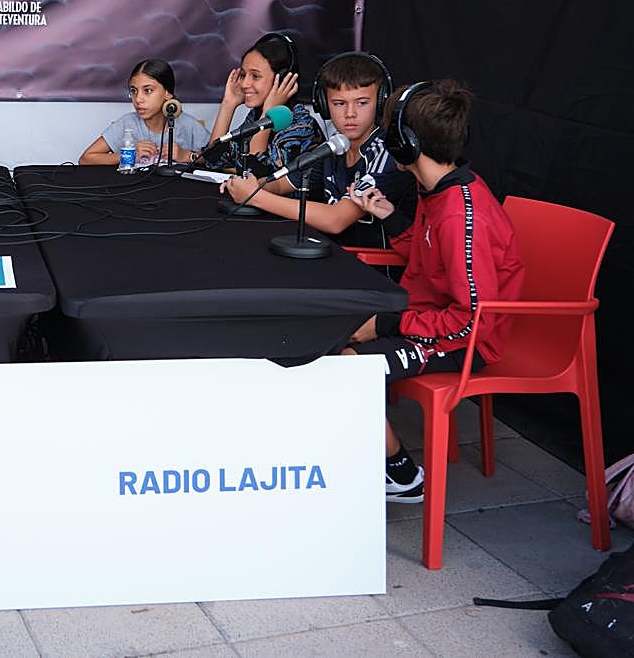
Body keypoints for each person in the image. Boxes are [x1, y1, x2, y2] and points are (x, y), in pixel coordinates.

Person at [341, 80, 525, 503]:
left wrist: (385, 324)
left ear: (406, 144)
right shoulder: (436, 191)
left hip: (469, 340)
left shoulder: (462, 215)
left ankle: (402, 476)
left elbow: (470, 318)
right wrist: (392, 219)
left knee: (346, 369)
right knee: (329, 335)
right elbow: (431, 262)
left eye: (391, 131)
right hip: (429, 318)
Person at [220, 53, 417, 247]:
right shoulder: (334, 146)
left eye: (362, 103)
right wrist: (249, 186)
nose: (350, 114)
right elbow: (280, 185)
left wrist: (257, 197)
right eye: (339, 103)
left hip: (373, 271)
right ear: (324, 105)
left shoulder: (387, 153)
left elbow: (336, 220)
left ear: (380, 102)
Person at [202, 33, 322, 180]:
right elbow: (214, 159)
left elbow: (253, 176)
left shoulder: (301, 127)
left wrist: (268, 114)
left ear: (283, 79)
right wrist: (228, 104)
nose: (245, 84)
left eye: (255, 76)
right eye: (244, 75)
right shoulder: (255, 116)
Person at [79, 58, 210, 166]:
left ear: (168, 93)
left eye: (147, 90)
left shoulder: (187, 124)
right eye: (134, 91)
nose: (138, 99)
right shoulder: (127, 123)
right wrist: (130, 156)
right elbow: (85, 159)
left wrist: (186, 155)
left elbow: (216, 160)